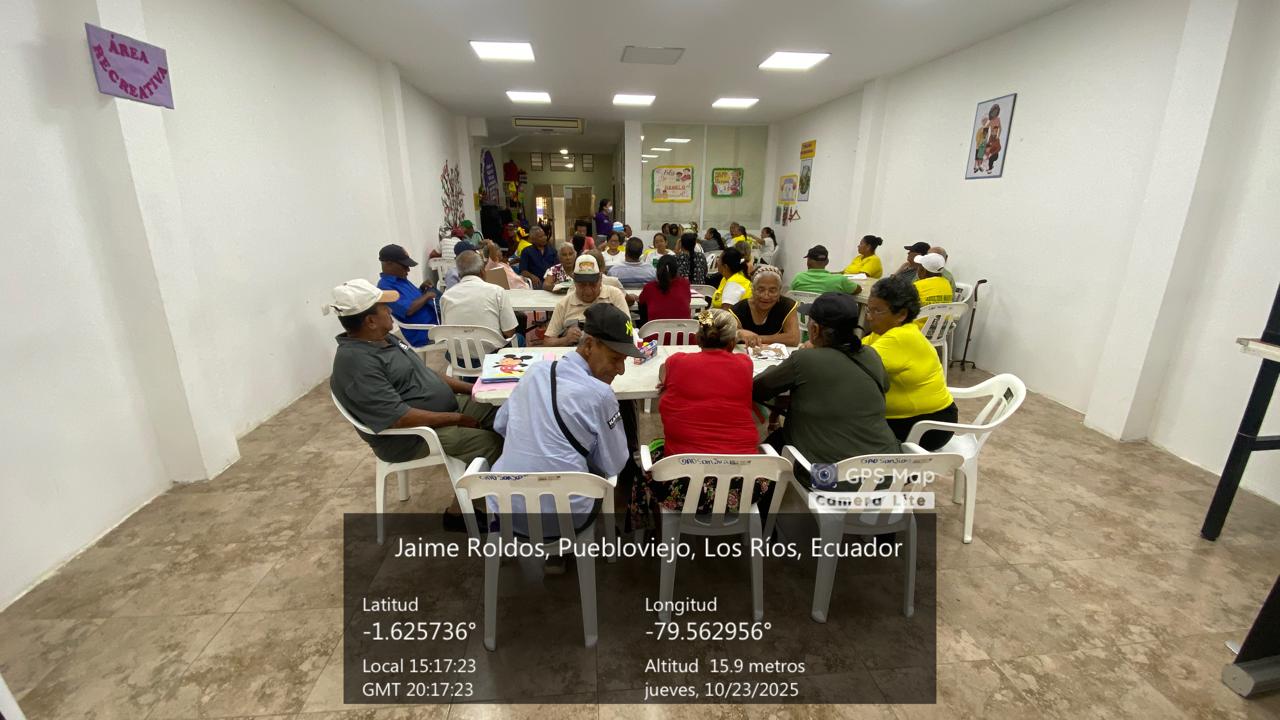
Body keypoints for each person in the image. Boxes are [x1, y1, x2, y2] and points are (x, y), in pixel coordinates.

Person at [327, 278, 501, 530]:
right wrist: (459, 419)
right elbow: (399, 418)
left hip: (442, 410)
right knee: (490, 442)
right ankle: (459, 514)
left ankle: (503, 487)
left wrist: (476, 389)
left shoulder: (385, 339)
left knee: (503, 411)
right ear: (370, 321)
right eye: (384, 307)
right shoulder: (356, 363)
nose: (390, 310)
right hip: (410, 437)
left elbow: (428, 375)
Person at [492, 303, 642, 540]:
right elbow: (613, 464)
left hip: (506, 509)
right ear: (589, 345)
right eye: (615, 359)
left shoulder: (534, 372)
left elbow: (501, 425)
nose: (621, 370)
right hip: (566, 518)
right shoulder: (601, 395)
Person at [627, 309, 762, 531]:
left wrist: (670, 380)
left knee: (648, 457)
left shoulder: (677, 362)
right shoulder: (744, 364)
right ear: (731, 342)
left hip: (683, 488)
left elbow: (663, 371)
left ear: (698, 338)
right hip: (742, 488)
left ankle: (642, 528)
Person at [753, 293, 900, 476]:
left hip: (828, 477)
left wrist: (782, 364)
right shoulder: (871, 354)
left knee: (768, 449)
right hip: (886, 473)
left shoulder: (804, 359)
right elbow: (884, 386)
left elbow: (757, 389)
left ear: (814, 329)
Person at [862, 278, 958, 450]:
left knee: (844, 429)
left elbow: (853, 365)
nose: (869, 317)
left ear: (901, 314)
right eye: (869, 309)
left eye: (877, 311)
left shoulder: (900, 337)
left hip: (927, 426)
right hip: (914, 418)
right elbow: (855, 349)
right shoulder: (884, 332)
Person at [544, 255, 632, 346]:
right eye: (582, 285)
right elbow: (547, 341)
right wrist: (565, 340)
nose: (588, 291)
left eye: (593, 285)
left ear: (600, 279)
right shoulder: (564, 304)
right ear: (574, 281)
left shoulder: (615, 295)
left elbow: (628, 329)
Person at [440, 251, 518, 339]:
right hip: (493, 347)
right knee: (520, 338)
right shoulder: (497, 292)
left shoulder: (446, 296)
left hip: (457, 347)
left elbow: (445, 333)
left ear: (459, 275)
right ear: (482, 271)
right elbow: (509, 332)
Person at [376, 243, 438, 347]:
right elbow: (408, 310)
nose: (408, 270)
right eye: (404, 266)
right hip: (424, 332)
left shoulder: (401, 279)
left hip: (435, 322)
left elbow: (412, 299)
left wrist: (422, 289)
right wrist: (427, 296)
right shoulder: (385, 287)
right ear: (389, 263)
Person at [732, 266, 800, 348]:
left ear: (779, 292)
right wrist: (739, 334)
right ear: (752, 290)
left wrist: (757, 338)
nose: (766, 296)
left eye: (772, 290)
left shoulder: (787, 306)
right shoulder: (738, 309)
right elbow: (727, 335)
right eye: (761, 289)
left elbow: (793, 339)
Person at [637, 255, 692, 324]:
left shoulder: (649, 287)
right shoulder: (685, 284)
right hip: (684, 330)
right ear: (676, 270)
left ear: (658, 271)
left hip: (655, 330)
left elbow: (641, 301)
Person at [791, 245, 860, 294]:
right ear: (827, 262)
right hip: (829, 311)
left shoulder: (798, 277)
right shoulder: (840, 280)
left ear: (808, 261)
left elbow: (790, 295)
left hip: (802, 311)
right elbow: (857, 290)